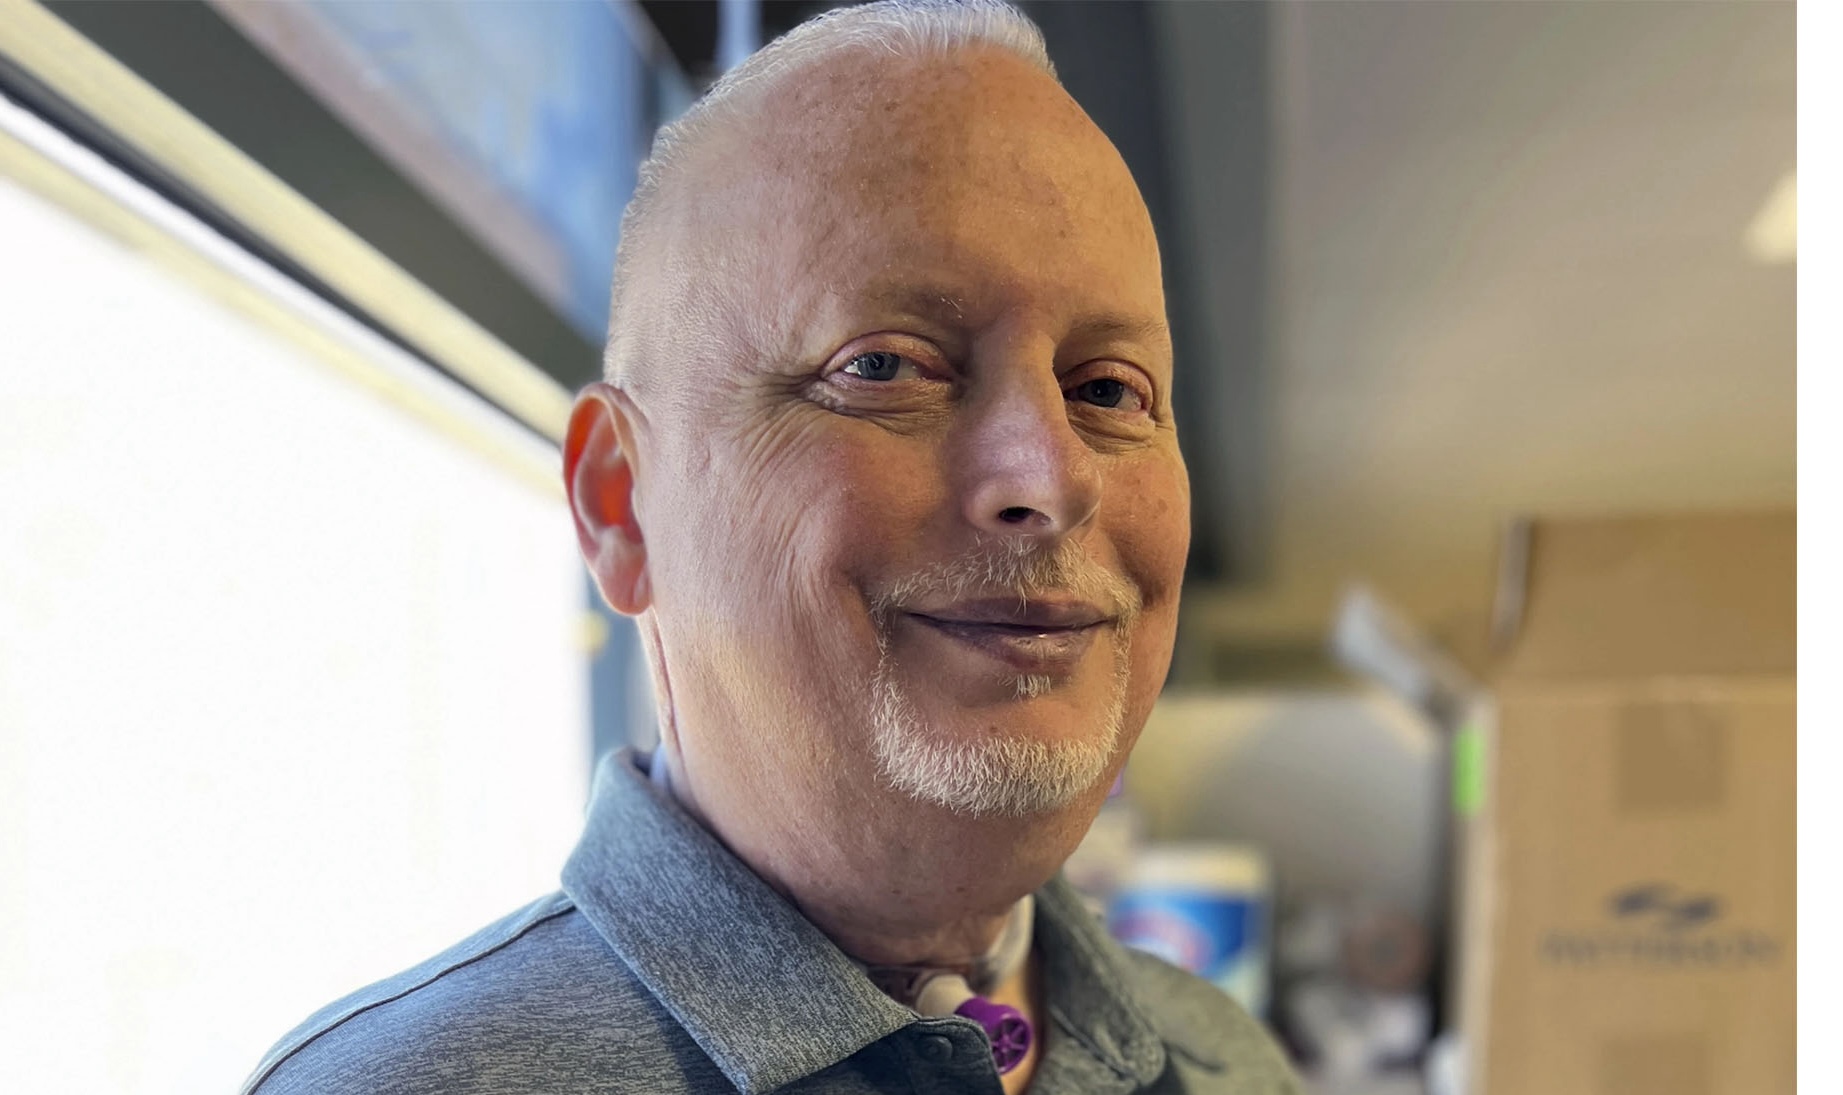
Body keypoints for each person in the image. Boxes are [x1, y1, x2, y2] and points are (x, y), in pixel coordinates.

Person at [244, 2, 1301, 1092]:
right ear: (623, 503)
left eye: (1107, 391)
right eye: (885, 366)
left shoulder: (1231, 1065)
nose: (1055, 477)